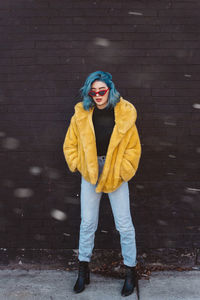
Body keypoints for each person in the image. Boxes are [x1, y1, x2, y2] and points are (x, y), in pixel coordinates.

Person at [63, 70, 141, 297]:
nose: (97, 95)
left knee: (124, 225)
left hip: (115, 171)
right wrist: (81, 165)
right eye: (93, 91)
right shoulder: (81, 114)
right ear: (89, 92)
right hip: (90, 171)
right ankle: (83, 270)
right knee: (87, 223)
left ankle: (130, 272)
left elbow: (134, 148)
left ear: (110, 89)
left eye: (102, 90)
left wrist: (123, 170)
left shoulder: (124, 114)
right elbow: (70, 145)